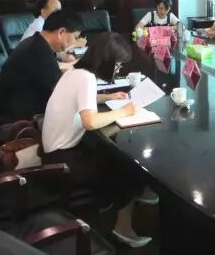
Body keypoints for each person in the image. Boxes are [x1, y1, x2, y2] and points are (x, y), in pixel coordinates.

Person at [42, 32, 154, 248]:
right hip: (64, 163)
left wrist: (107, 97)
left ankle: (135, 192)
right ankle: (123, 228)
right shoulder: (86, 78)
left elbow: (82, 98)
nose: (118, 69)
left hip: (54, 154)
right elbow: (90, 122)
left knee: (110, 151)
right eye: (118, 65)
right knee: (125, 165)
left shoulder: (75, 72)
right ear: (107, 61)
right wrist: (124, 111)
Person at [0, 11, 83, 119]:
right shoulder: (40, 52)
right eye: (75, 37)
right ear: (61, 32)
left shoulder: (34, 42)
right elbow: (61, 93)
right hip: (21, 118)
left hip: (12, 107)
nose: (74, 42)